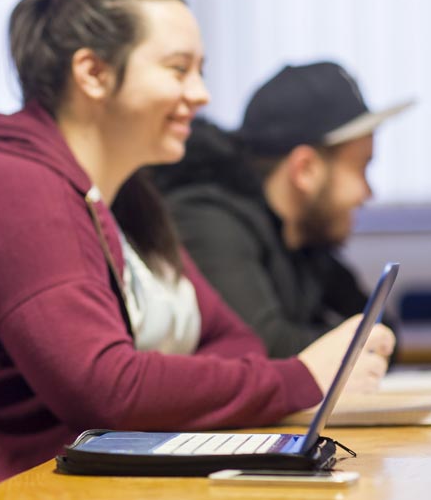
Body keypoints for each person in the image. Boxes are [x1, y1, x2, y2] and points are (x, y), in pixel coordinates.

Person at [0, 0, 394, 498]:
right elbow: (106, 388)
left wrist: (184, 382)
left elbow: (233, 342)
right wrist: (299, 377)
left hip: (75, 474)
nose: (201, 94)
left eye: (200, 70)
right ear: (93, 73)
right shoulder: (7, 184)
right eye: (178, 69)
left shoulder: (125, 195)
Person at [151, 62, 412, 358]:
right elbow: (263, 351)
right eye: (361, 167)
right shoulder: (209, 221)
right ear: (305, 169)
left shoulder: (303, 237)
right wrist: (365, 343)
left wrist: (368, 341)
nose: (368, 192)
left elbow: (382, 330)